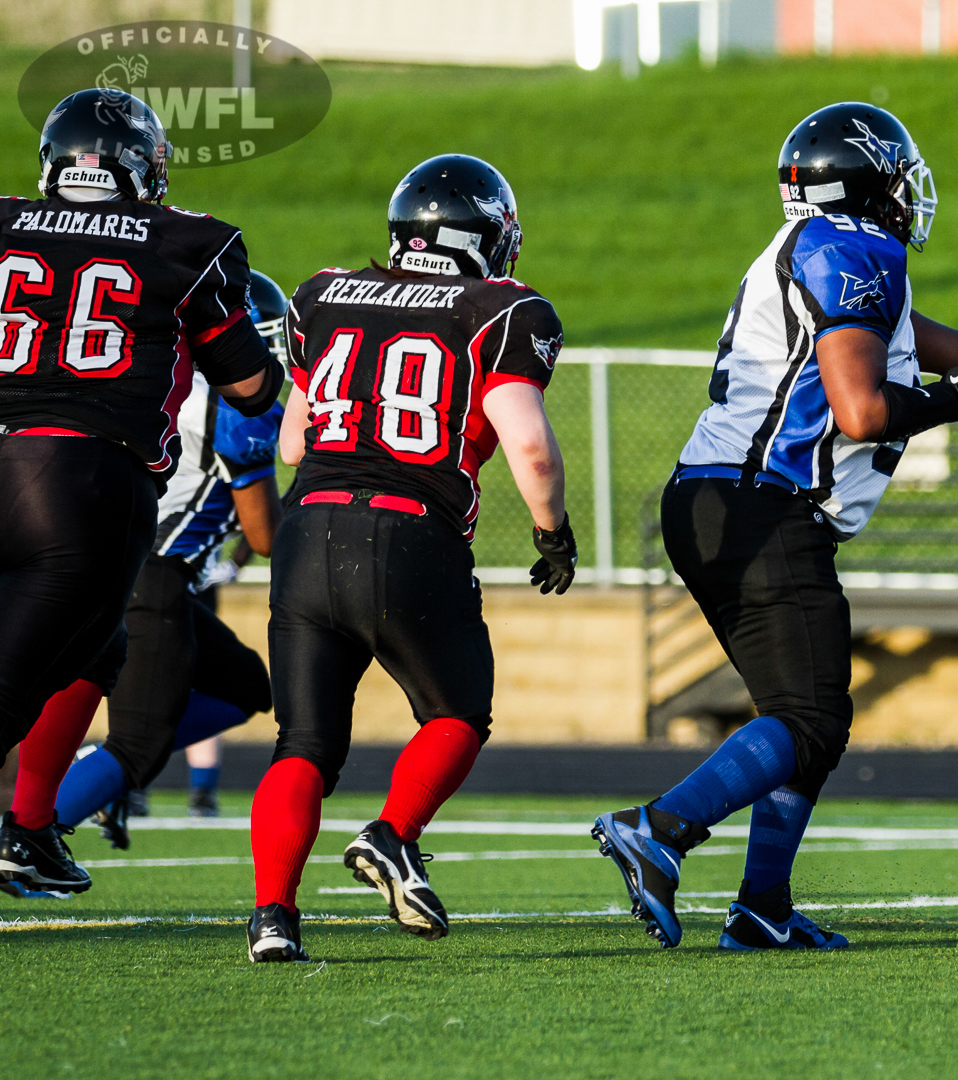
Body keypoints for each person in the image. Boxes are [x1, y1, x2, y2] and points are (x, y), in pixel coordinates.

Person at [591, 101, 958, 952]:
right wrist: (952, 406)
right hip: (760, 503)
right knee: (809, 718)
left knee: (802, 717)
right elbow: (864, 409)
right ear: (870, 179)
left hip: (722, 499)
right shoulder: (854, 247)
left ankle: (762, 905)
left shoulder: (823, 251)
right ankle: (660, 828)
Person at [246, 154, 575, 963]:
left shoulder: (323, 293)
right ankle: (393, 835)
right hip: (408, 534)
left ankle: (272, 919)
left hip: (306, 526)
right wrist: (552, 532)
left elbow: (291, 440)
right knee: (458, 711)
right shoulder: (502, 310)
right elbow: (530, 446)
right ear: (483, 237)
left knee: (304, 744)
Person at [0, 89, 281, 896]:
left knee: (102, 649)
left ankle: (30, 830)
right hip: (84, 482)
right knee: (14, 682)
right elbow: (250, 386)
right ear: (139, 168)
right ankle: (24, 830)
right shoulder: (187, 240)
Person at [40, 271, 289, 852]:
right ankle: (34, 832)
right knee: (140, 744)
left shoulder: (154, 380)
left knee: (244, 684)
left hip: (105, 557)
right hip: (150, 575)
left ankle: (99, 773)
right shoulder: (239, 411)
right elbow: (266, 534)